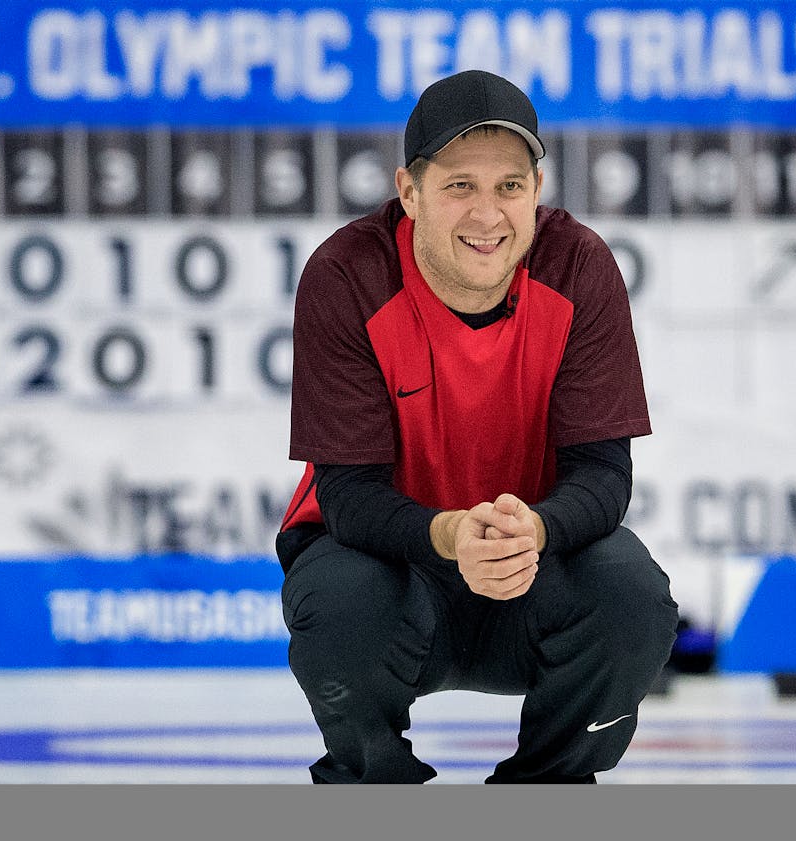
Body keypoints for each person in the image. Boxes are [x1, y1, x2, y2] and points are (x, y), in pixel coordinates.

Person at [276, 70, 678, 783]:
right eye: (460, 185)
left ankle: (548, 786)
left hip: (534, 567)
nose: (487, 215)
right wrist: (452, 534)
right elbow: (348, 498)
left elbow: (604, 476)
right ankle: (373, 782)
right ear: (409, 193)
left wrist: (537, 531)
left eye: (509, 187)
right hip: (394, 572)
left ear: (538, 190)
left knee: (633, 594)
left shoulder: (579, 266)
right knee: (336, 598)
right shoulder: (347, 275)